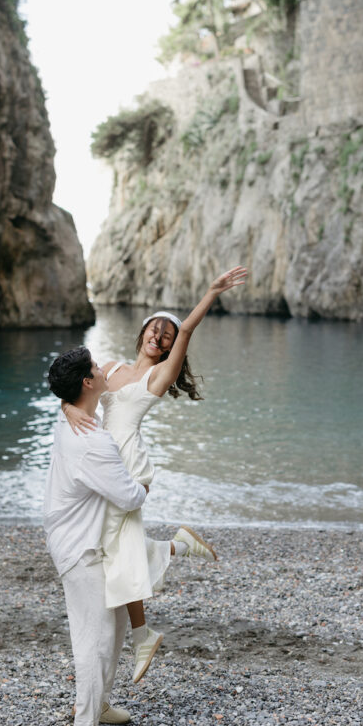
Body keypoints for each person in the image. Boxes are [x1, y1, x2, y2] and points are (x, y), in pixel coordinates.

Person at [62, 266, 247, 684]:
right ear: (142, 332)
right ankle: (175, 550)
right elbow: (76, 389)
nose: (159, 336)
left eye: (166, 335)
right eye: (154, 329)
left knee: (116, 546)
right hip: (100, 461)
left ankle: (143, 635)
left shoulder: (156, 378)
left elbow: (186, 333)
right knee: (115, 546)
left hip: (127, 464)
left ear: (167, 349)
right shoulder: (108, 367)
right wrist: (67, 408)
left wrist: (211, 292)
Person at [44, 346, 148, 726]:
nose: (104, 368)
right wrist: (146, 486)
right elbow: (128, 497)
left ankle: (99, 703)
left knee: (118, 623)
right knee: (94, 638)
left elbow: (73, 396)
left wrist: (68, 407)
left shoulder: (75, 416)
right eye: (96, 368)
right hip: (79, 547)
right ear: (88, 383)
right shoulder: (92, 443)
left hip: (84, 538)